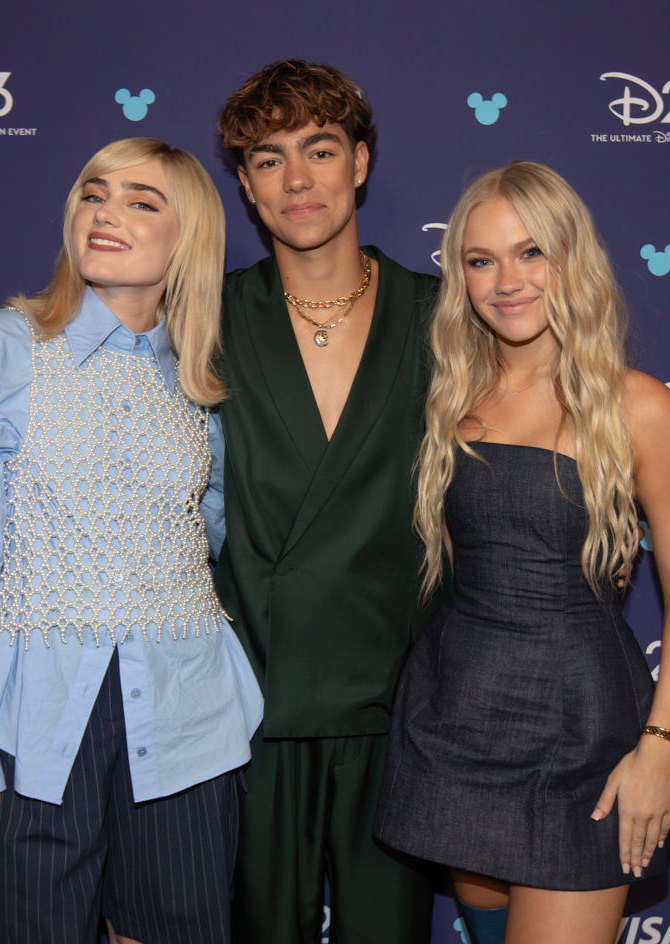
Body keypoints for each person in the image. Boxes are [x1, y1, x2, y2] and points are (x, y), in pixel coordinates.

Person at [0, 137, 263, 944]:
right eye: (94, 194)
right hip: (37, 719)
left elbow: (206, 532)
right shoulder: (1, 345)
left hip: (185, 713)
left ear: (188, 237)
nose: (105, 214)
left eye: (141, 202)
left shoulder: (197, 380)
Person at [374, 161, 670, 944]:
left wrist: (659, 753)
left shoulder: (640, 407)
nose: (507, 281)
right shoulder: (452, 398)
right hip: (457, 721)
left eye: (531, 253)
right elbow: (470, 561)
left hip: (581, 735)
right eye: (481, 260)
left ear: (572, 259)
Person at [214, 60, 438, 944]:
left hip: (402, 707)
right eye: (269, 159)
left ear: (362, 162)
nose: (297, 180)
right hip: (247, 708)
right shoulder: (203, 317)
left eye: (319, 149)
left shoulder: (446, 314)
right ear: (244, 184)